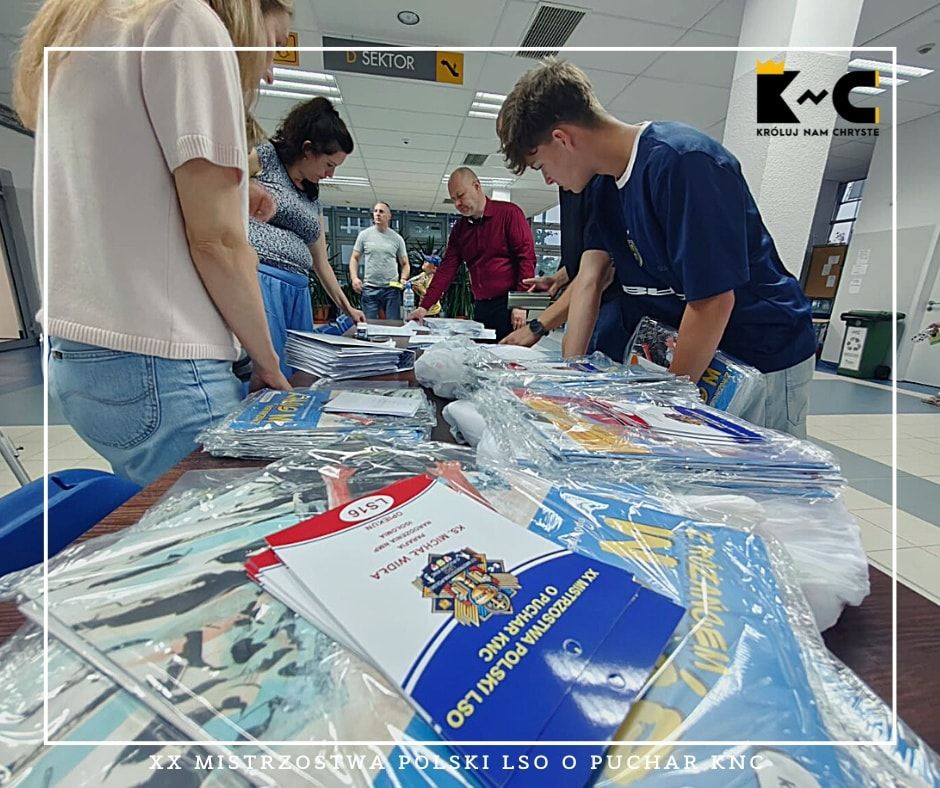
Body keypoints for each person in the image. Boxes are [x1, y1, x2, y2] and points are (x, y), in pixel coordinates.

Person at [15, 0, 291, 486]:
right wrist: (268, 364)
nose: (269, 69)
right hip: (164, 366)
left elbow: (117, 185)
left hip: (78, 357)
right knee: (235, 522)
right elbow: (218, 242)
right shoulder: (185, 20)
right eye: (275, 44)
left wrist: (233, 191)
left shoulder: (85, 28)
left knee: (164, 520)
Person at [497, 59, 817, 438]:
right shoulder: (603, 187)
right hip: (701, 351)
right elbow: (590, 280)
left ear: (562, 139)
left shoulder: (684, 162)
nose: (549, 179)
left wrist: (665, 410)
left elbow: (713, 302)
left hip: (762, 347)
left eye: (540, 165)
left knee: (764, 466)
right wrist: (571, 382)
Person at [248, 97, 365, 379]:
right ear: (308, 149)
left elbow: (320, 261)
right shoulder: (264, 158)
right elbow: (220, 187)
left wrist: (346, 306)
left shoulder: (312, 194)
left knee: (299, 372)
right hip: (263, 281)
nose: (330, 174)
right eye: (329, 164)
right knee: (269, 369)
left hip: (298, 289)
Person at [501, 179, 631, 360]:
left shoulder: (601, 186)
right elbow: (583, 255)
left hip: (607, 300)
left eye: (542, 166)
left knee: (589, 364)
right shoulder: (572, 185)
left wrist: (537, 327)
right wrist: (561, 277)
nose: (547, 179)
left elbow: (597, 274)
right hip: (583, 295)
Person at [406, 167, 535, 340]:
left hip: (510, 306)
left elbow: (526, 259)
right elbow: (446, 269)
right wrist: (424, 307)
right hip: (481, 305)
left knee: (508, 354)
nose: (457, 204)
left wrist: (520, 303)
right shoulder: (460, 230)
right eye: (453, 199)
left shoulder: (509, 214)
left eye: (460, 196)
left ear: (477, 186)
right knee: (482, 353)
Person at [349, 202, 410, 320]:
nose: (377, 214)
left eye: (381, 212)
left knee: (393, 324)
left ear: (389, 216)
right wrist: (354, 278)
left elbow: (405, 263)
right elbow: (354, 258)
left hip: (391, 289)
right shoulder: (364, 235)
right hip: (370, 288)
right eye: (375, 211)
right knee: (369, 324)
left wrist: (403, 278)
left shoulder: (397, 238)